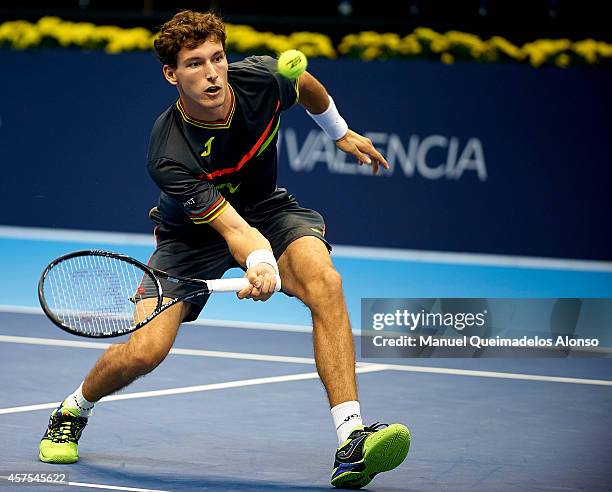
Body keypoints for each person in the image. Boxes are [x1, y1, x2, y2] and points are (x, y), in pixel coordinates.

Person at [39, 10, 410, 488]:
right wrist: (258, 263)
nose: (212, 73)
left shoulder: (264, 79)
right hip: (191, 238)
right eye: (195, 64)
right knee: (145, 352)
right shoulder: (168, 150)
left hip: (268, 211)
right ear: (171, 74)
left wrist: (339, 132)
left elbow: (308, 87)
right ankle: (74, 408)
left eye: (218, 58)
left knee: (326, 282)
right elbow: (233, 231)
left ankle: (351, 441)